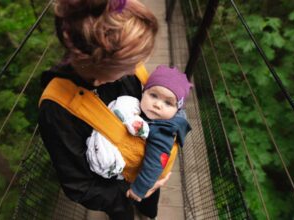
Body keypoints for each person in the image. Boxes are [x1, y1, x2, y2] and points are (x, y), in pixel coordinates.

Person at [38, 0, 169, 219]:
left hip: (147, 164)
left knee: (149, 207)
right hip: (114, 192)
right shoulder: (57, 111)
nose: (138, 66)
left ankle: (147, 213)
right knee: (122, 214)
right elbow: (80, 186)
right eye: (130, 64)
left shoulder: (128, 72)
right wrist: (132, 191)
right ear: (100, 68)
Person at [85, 65, 192, 202]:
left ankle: (149, 214)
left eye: (168, 103)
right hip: (137, 170)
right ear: (144, 92)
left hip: (147, 178)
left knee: (149, 201)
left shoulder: (163, 132)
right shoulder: (148, 113)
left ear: (176, 110)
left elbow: (155, 163)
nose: (157, 104)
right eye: (153, 95)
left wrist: (139, 189)